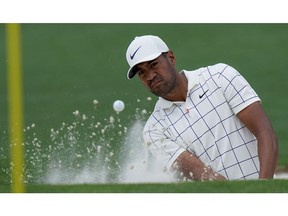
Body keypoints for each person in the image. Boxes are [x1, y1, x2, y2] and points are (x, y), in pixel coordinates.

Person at [125, 35, 278, 181]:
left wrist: (262, 188)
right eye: (142, 72)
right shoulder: (154, 131)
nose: (150, 76)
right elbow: (205, 177)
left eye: (153, 65)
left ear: (171, 58)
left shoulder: (220, 76)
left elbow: (265, 132)